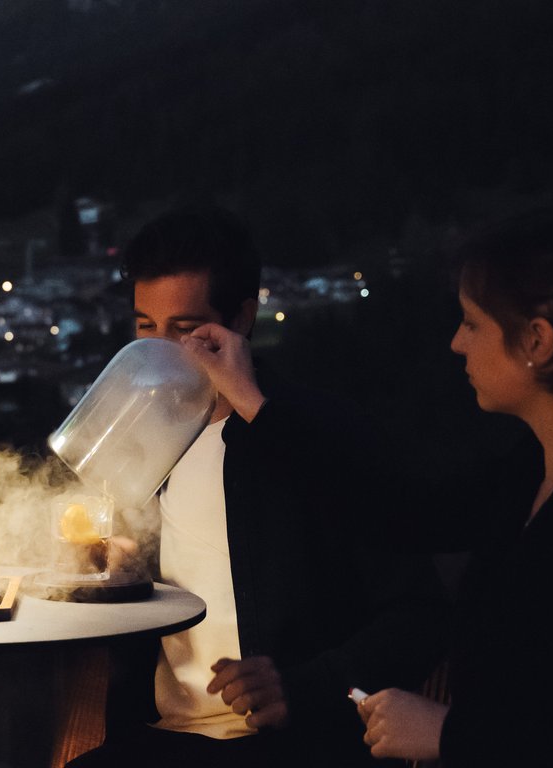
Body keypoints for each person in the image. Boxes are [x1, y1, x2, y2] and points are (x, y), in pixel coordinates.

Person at [68, 205, 448, 768]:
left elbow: (418, 613)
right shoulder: (140, 441)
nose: (160, 352)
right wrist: (118, 572)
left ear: (242, 318)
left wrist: (307, 685)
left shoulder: (320, 439)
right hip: (157, 736)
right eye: (145, 327)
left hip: (287, 745)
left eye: (185, 329)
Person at [358, 209, 553, 766]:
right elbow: (408, 514)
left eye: (472, 323)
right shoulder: (529, 467)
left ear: (537, 340)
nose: (457, 343)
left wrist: (450, 734)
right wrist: (258, 406)